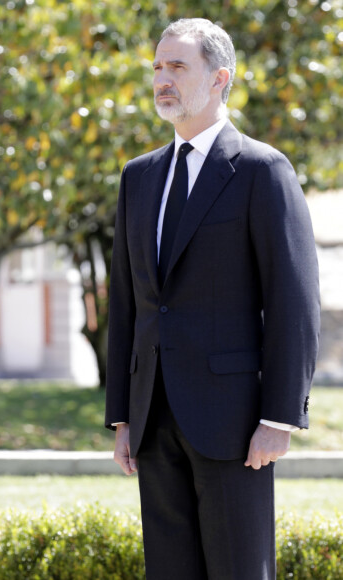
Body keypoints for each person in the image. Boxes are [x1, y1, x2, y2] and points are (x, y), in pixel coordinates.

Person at [105, 18, 320, 580]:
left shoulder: (262, 170)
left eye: (177, 66)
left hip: (236, 423)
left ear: (220, 77)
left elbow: (294, 302)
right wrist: (122, 417)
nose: (162, 79)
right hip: (152, 417)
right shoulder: (138, 176)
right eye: (157, 66)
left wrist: (280, 415)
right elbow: (127, 304)